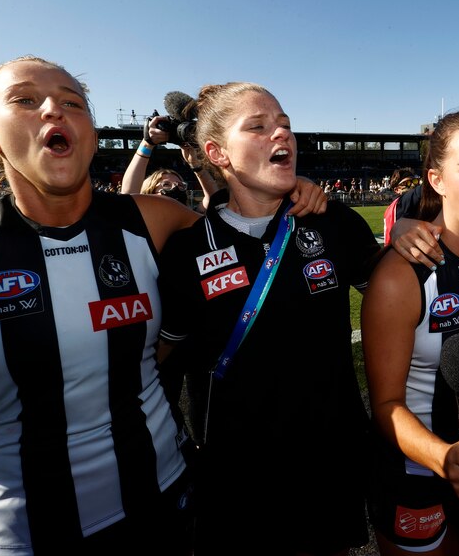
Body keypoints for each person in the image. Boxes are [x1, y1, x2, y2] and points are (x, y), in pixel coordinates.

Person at [0, 56, 327, 555]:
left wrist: (300, 191)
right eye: (26, 99)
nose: (54, 109)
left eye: (73, 102)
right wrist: (7, 398)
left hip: (166, 497)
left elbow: (246, 219)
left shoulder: (156, 221)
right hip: (30, 528)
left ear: (90, 131)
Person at [155, 81, 381, 555]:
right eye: (257, 127)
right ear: (217, 153)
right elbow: (159, 363)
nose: (281, 135)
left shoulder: (334, 224)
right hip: (236, 479)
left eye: (285, 125)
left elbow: (402, 304)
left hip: (328, 463)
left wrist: (411, 230)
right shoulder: (187, 250)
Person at [362, 109, 459, 555]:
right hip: (415, 473)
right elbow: (385, 405)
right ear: (437, 179)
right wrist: (444, 459)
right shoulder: (400, 276)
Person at [382, 166, 420, 245]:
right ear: (397, 190)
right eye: (407, 183)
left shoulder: (394, 205)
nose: (413, 185)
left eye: (414, 181)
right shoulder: (402, 202)